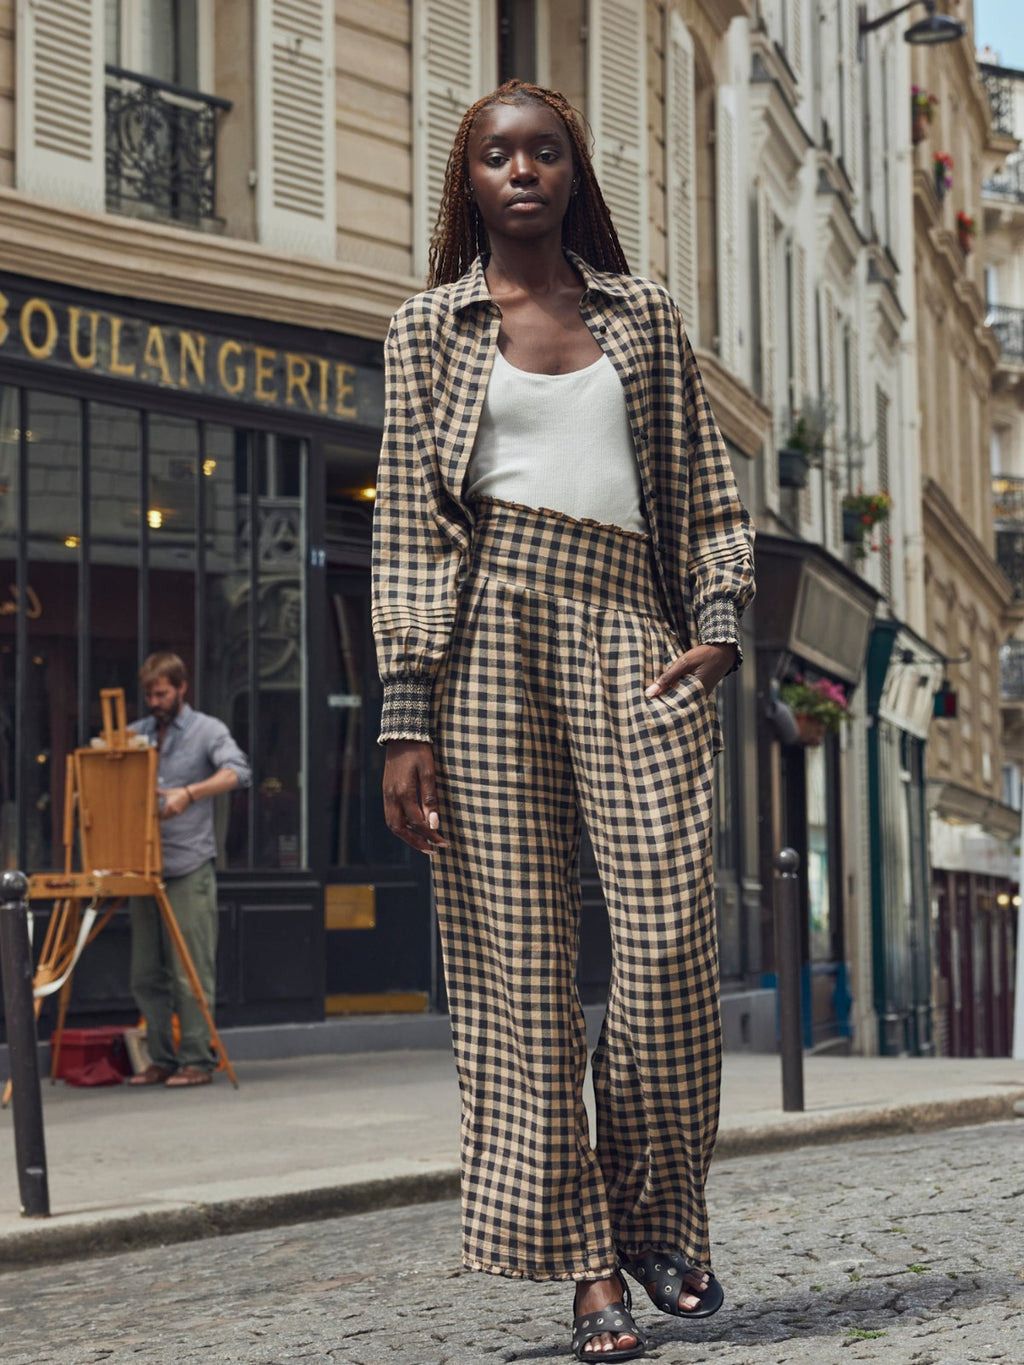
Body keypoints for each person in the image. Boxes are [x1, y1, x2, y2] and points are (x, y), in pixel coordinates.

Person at [371, 80, 754, 1362]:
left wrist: (715, 624)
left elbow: (706, 495)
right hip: (484, 643)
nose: (522, 172)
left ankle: (658, 1212)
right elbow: (410, 532)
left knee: (668, 942)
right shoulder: (425, 330)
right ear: (467, 180)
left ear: (572, 174)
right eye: (498, 155)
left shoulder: (642, 315)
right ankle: (590, 1267)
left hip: (630, 640)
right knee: (518, 975)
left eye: (544, 153)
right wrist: (405, 713)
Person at [127, 651, 251, 1088]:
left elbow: (238, 771)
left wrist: (189, 793)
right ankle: (159, 1058)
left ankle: (197, 1059)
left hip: (187, 864)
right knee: (145, 971)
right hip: (142, 866)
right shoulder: (138, 733)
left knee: (190, 968)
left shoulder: (207, 730)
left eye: (161, 692)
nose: (154, 701)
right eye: (148, 693)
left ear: (182, 688)